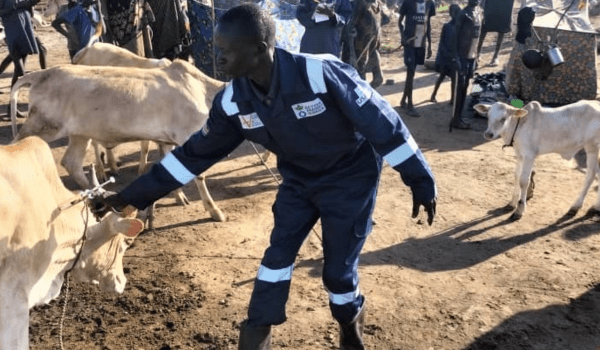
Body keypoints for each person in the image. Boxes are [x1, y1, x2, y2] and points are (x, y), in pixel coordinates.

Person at [93, 4, 437, 349]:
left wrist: (418, 178)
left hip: (349, 179)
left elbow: (382, 123)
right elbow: (192, 156)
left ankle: (350, 327)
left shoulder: (319, 74)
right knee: (276, 260)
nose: (218, 58)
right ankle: (256, 335)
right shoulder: (232, 102)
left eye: (226, 51)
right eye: (217, 49)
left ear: (259, 49)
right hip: (298, 182)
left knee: (337, 273)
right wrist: (129, 197)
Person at [398, 0, 435, 117]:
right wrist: (403, 36)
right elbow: (400, 22)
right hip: (409, 43)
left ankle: (403, 99)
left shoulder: (430, 3)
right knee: (410, 72)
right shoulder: (408, 2)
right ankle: (410, 105)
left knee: (412, 72)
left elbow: (428, 24)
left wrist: (429, 44)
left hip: (421, 44)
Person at [449, 0, 482, 131]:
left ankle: (459, 117)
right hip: (462, 57)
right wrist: (455, 58)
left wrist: (477, 56)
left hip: (471, 56)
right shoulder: (463, 15)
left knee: (466, 86)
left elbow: (478, 37)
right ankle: (456, 118)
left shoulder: (479, 13)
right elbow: (454, 38)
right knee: (460, 87)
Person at [0, 0, 40, 89]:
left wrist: (29, 5)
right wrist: (14, 7)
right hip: (12, 33)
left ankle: (12, 97)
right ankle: (13, 97)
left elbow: (31, 9)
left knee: (18, 71)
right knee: (20, 70)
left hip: (25, 30)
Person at [430, 4, 460, 104]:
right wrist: (444, 54)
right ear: (451, 14)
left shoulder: (459, 27)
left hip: (453, 57)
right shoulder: (447, 26)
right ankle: (433, 94)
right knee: (441, 77)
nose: (456, 15)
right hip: (447, 57)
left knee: (454, 80)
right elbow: (441, 42)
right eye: (454, 13)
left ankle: (452, 99)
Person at [475, 0, 514, 67]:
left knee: (501, 29)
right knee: (484, 28)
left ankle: (495, 57)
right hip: (491, 6)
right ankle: (477, 54)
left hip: (504, 7)